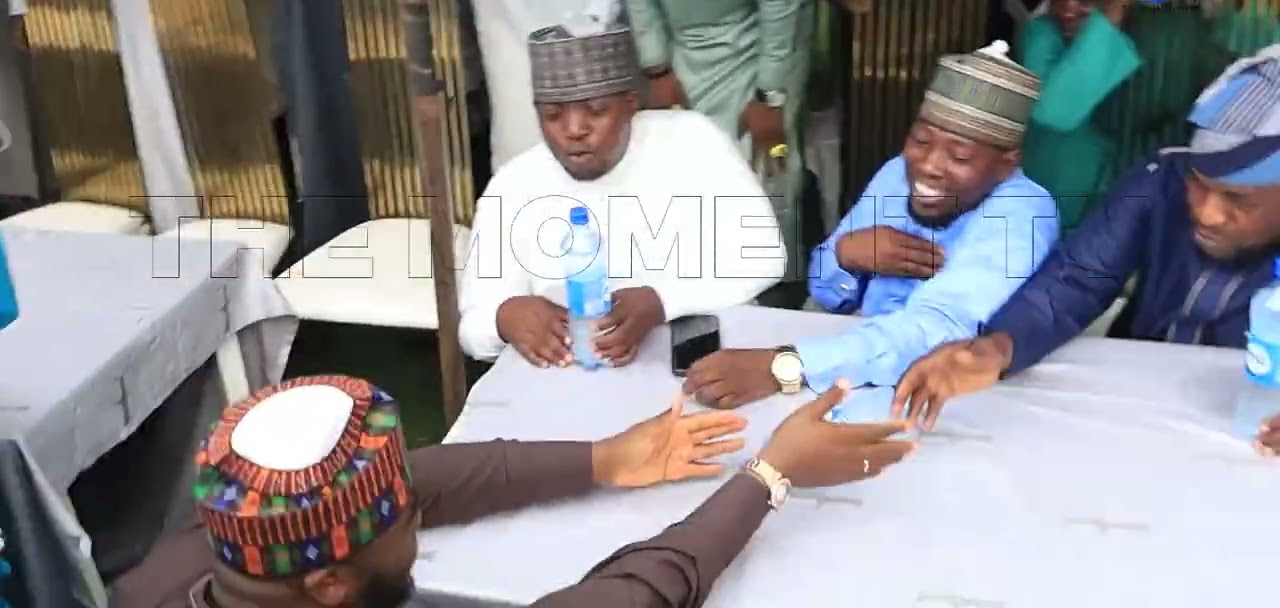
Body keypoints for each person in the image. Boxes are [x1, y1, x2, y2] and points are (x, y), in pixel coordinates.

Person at [111, 374, 916, 606]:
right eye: (406, 519)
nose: (416, 515)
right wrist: (772, 473)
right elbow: (635, 591)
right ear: (330, 583)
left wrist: (605, 459)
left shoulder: (175, 570)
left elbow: (416, 478)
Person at [892, 46, 1280, 455]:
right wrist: (998, 348)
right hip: (1132, 405)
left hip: (1249, 429)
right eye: (1198, 182)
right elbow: (1078, 278)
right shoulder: (1161, 178)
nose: (1207, 213)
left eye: (1239, 201)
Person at [681, 42, 1060, 410]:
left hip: (954, 400)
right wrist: (846, 256)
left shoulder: (1024, 212)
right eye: (921, 140)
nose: (928, 165)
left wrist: (782, 366)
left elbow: (935, 333)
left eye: (959, 156)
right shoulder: (897, 174)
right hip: (845, 363)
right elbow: (826, 291)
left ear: (1007, 164)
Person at [458, 23, 786, 366]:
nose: (574, 130)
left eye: (596, 110)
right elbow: (472, 329)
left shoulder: (692, 142)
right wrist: (505, 316)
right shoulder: (514, 185)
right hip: (575, 382)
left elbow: (765, 258)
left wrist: (662, 302)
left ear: (630, 104)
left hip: (706, 367)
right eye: (553, 114)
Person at [594, 0, 816, 303]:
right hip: (684, 49)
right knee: (691, 175)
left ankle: (779, 295)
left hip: (764, 38)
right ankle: (708, 296)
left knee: (772, 168)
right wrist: (656, 66)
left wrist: (772, 94)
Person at [447, 0, 621, 172]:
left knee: (599, 165)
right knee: (521, 165)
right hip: (508, 44)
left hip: (589, 38)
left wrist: (595, 18)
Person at [1016, 0, 1155, 232]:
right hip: (1053, 217)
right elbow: (1057, 111)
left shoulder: (1159, 31)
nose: (1066, 10)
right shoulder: (1041, 32)